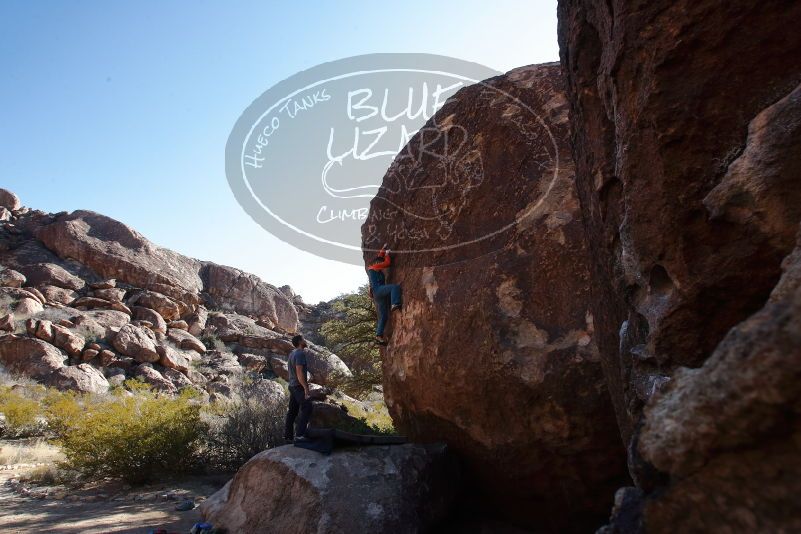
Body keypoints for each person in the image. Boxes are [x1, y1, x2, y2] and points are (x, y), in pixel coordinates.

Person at [367, 243, 402, 346]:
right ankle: (395, 303)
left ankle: (379, 335)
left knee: (384, 316)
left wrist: (383, 249)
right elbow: (387, 263)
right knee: (394, 287)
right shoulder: (375, 267)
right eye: (379, 262)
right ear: (377, 263)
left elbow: (379, 257)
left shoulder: (373, 267)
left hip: (378, 295)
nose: (380, 265)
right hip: (379, 290)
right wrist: (387, 254)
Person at [284, 334, 314, 442]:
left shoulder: (292, 353)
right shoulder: (300, 353)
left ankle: (288, 437)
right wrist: (306, 388)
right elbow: (299, 372)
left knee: (292, 412)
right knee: (307, 407)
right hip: (298, 387)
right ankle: (300, 436)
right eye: (304, 339)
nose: (305, 341)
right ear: (300, 342)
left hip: (292, 386)